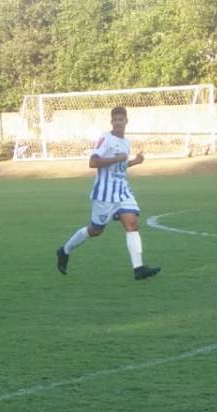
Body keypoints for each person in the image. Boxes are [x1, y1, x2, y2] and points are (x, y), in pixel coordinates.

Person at [56, 106, 160, 281]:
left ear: (127, 121)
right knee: (95, 230)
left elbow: (119, 166)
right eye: (115, 120)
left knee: (132, 223)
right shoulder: (106, 138)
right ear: (112, 122)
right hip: (105, 193)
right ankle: (64, 250)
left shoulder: (126, 142)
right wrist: (116, 158)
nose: (118, 122)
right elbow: (93, 162)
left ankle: (139, 268)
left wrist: (134, 161)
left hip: (122, 190)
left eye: (121, 119)